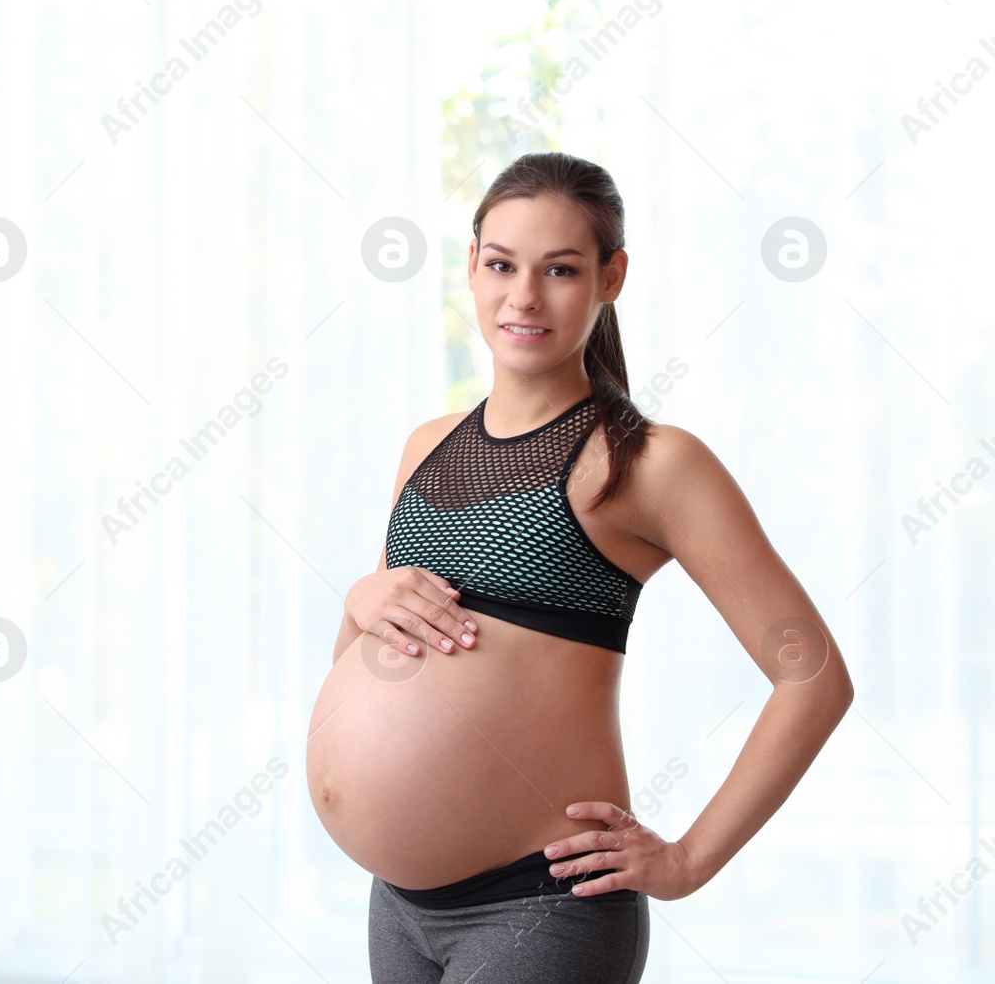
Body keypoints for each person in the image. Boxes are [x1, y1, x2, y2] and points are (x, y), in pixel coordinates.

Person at [304, 151, 854, 984]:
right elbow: (361, 658)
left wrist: (689, 859)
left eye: (560, 269)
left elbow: (813, 676)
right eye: (501, 264)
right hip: (400, 907)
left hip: (540, 907)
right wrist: (361, 595)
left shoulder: (649, 464)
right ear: (471, 269)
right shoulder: (426, 446)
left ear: (611, 277)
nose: (524, 296)